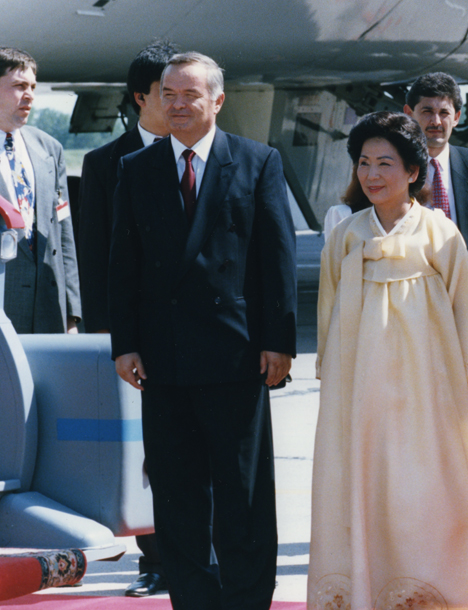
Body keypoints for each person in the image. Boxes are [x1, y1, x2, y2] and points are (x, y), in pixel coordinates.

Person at [307, 111, 468, 609]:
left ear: (412, 171)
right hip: (360, 388)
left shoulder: (439, 233)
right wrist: (331, 375)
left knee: (426, 487)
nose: (372, 175)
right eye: (364, 163)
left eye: (385, 163)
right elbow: (328, 310)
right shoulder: (346, 236)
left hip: (428, 386)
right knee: (366, 482)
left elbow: (465, 303)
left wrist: (464, 375)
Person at [109, 52, 297, 610]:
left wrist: (279, 341)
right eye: (168, 94)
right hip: (162, 359)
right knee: (176, 492)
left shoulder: (257, 161)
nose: (177, 105)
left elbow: (277, 258)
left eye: (189, 94)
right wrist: (125, 344)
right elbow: (123, 264)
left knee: (243, 491)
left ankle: (246, 599)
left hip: (236, 355)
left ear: (217, 100)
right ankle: (191, 600)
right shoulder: (136, 168)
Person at [77, 41, 177, 598]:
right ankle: (157, 559)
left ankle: (205, 552)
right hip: (137, 337)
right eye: (169, 92)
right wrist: (108, 338)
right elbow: (94, 257)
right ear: (142, 97)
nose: (181, 102)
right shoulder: (103, 165)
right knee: (146, 454)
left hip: (202, 334)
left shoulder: (210, 154)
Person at [404, 72, 468, 349]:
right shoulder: (393, 169)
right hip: (411, 306)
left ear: (456, 117)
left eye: (444, 113)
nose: (436, 121)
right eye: (426, 112)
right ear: (409, 114)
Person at [0, 47, 80, 334]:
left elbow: (64, 233)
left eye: (33, 87)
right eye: (19, 86)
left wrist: (71, 313)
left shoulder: (50, 149)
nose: (30, 95)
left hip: (48, 310)